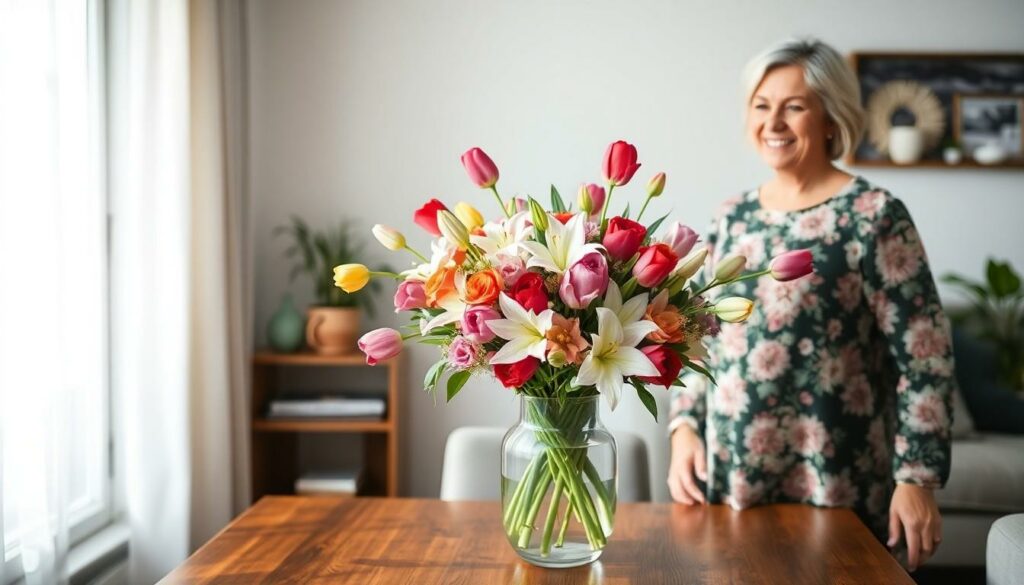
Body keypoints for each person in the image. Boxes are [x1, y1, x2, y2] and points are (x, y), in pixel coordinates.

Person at [667, 38, 955, 573]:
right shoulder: (732, 216)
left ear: (831, 118)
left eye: (794, 106)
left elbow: (925, 355)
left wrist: (917, 477)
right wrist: (683, 429)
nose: (773, 121)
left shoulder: (874, 215)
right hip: (732, 478)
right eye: (761, 105)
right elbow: (694, 336)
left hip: (838, 480)